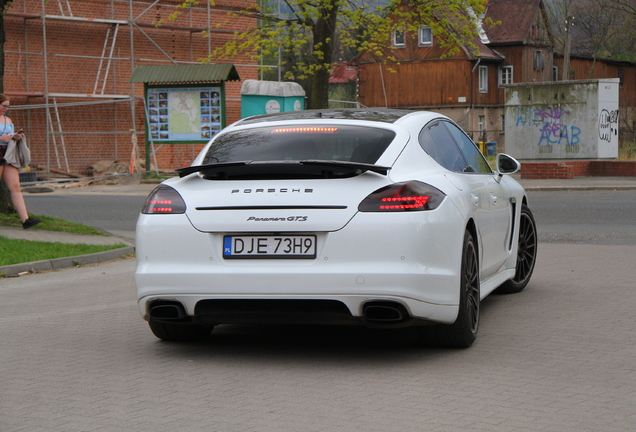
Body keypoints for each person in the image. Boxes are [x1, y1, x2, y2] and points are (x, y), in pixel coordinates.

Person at [0, 94, 41, 229]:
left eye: (8, 106)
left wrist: (15, 136)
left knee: (15, 187)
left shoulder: (8, 119)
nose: (6, 108)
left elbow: (9, 136)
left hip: (9, 154)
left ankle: (25, 220)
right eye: (4, 106)